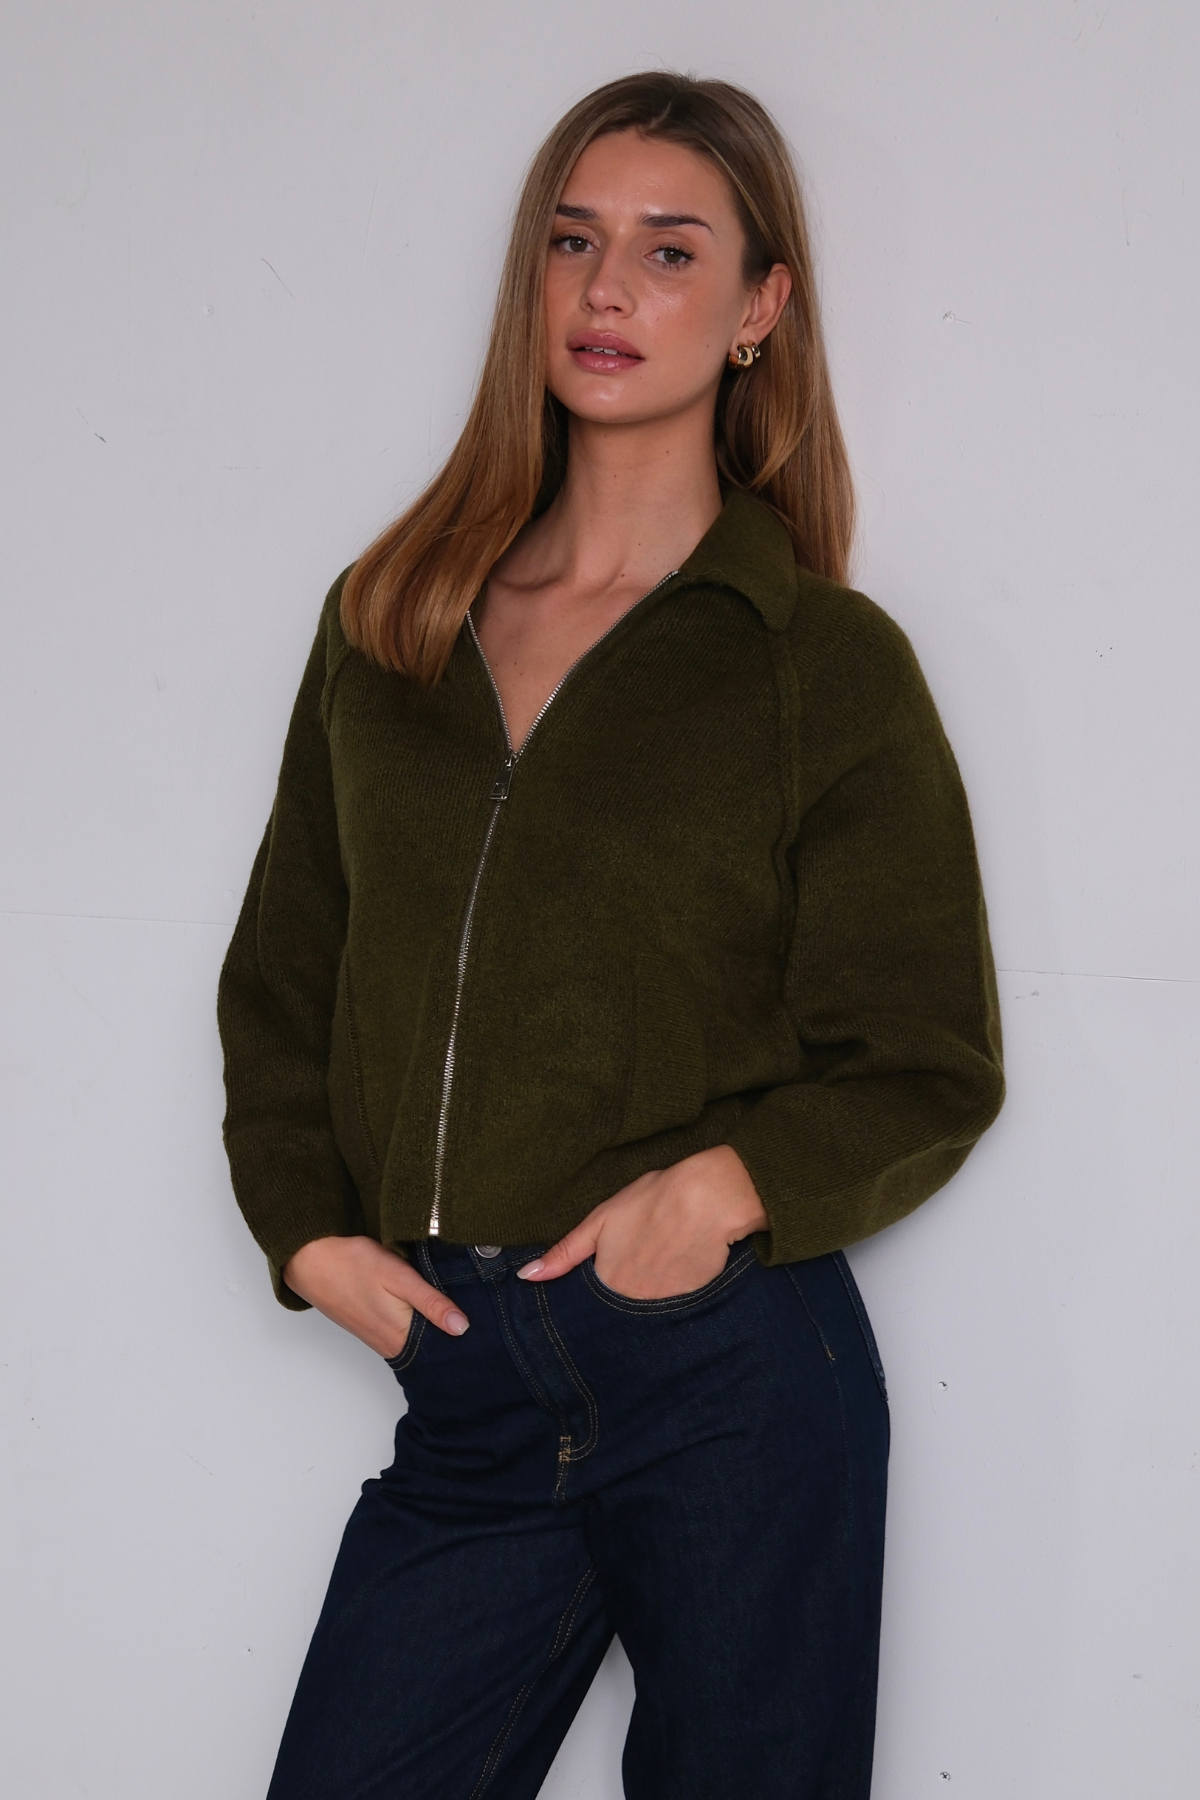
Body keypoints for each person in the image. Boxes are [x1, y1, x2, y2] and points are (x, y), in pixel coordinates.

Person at [218, 71, 1004, 1800]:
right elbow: (284, 977)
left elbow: (927, 1056)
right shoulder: (391, 625)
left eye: (670, 250)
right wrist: (306, 1233)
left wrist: (717, 1192)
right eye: (575, 243)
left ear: (759, 308)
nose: (608, 289)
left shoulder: (816, 663)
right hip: (468, 1386)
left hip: (726, 1375)